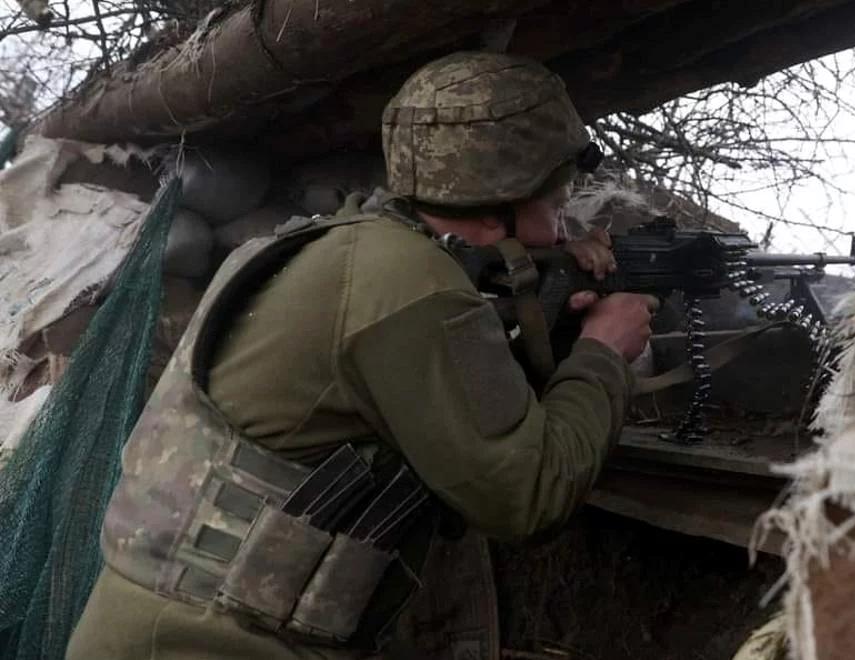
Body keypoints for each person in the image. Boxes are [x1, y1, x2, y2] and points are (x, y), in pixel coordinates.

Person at [67, 51, 658, 659]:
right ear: (499, 198)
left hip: (167, 625)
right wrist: (602, 352)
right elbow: (530, 496)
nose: (563, 229)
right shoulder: (414, 286)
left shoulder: (335, 246)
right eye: (554, 202)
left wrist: (549, 322)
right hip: (211, 643)